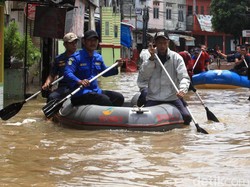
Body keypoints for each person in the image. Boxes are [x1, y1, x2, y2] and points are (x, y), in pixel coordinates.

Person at [138, 31, 192, 125]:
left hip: (172, 97)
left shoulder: (176, 58)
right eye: (159, 43)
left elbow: (184, 77)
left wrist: (182, 90)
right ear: (155, 43)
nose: (162, 46)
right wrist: (151, 60)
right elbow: (143, 76)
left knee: (187, 117)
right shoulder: (148, 56)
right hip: (154, 97)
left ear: (168, 43)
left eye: (164, 43)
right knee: (143, 119)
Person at [64, 30, 124, 106]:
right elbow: (67, 73)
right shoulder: (76, 58)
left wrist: (116, 66)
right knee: (105, 100)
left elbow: (104, 73)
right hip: (80, 93)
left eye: (95, 40)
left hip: (95, 91)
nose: (93, 43)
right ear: (84, 41)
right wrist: (79, 81)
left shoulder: (98, 57)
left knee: (119, 97)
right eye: (90, 40)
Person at [42, 32, 78, 102]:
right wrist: (47, 83)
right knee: (51, 97)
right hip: (63, 87)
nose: (74, 45)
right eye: (71, 43)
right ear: (65, 45)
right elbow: (52, 74)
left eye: (75, 42)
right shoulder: (59, 59)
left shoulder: (80, 57)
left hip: (77, 85)